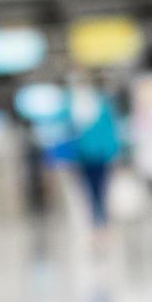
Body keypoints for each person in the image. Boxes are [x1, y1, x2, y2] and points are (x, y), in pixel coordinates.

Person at [57, 74, 125, 226]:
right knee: (88, 190)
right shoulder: (71, 107)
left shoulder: (102, 105)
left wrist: (114, 151)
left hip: (101, 156)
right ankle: (95, 221)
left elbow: (110, 131)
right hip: (83, 156)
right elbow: (65, 132)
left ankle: (102, 221)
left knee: (102, 188)